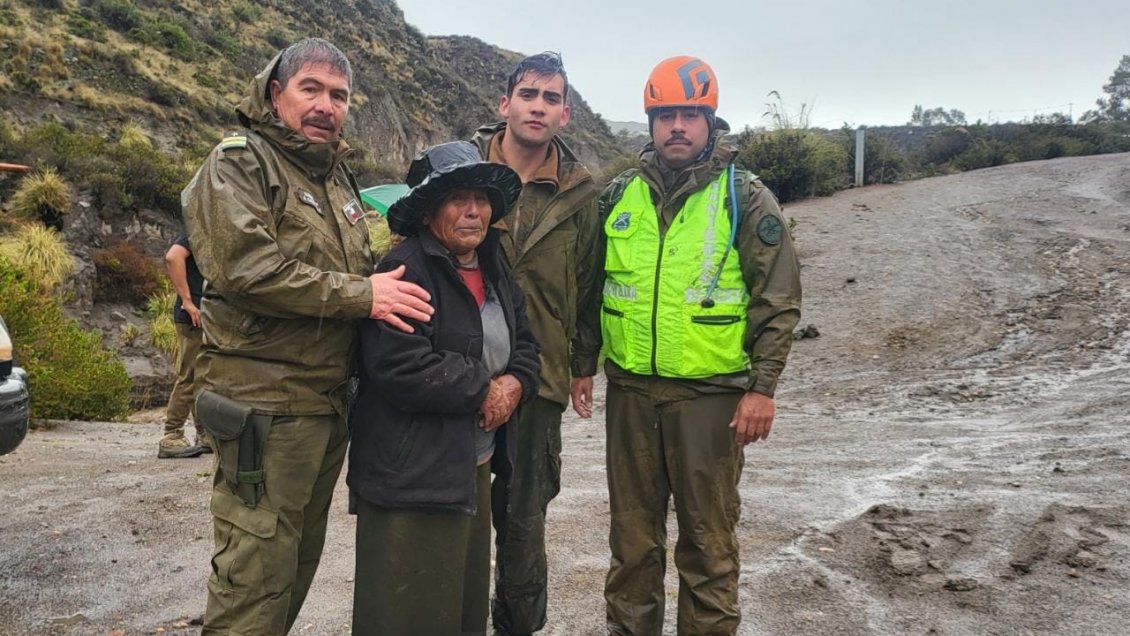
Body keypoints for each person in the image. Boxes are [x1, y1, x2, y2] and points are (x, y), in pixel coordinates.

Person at [181, 38, 433, 634]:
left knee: (294, 565)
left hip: (322, 405)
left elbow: (353, 267)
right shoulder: (240, 162)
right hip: (263, 406)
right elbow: (249, 270)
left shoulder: (333, 176)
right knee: (254, 574)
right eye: (311, 90)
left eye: (339, 95)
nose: (326, 106)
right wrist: (365, 297)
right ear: (276, 94)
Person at [598, 56, 802, 635]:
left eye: (691, 114)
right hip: (632, 395)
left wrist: (762, 389)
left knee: (708, 548)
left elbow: (778, 298)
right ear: (650, 122)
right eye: (666, 115)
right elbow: (594, 287)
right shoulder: (619, 196)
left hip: (710, 400)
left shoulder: (746, 198)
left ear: (712, 121)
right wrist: (579, 364)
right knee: (632, 547)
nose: (678, 126)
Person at [348, 140, 541, 635]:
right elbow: (400, 365)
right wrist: (484, 390)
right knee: (405, 610)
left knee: (458, 608)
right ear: (430, 209)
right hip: (412, 475)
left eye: (481, 198)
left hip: (468, 467)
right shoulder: (406, 269)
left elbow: (525, 342)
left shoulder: (494, 265)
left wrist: (515, 385)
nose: (473, 210)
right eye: (458, 198)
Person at [469, 51, 602, 636]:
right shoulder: (459, 170)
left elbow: (589, 285)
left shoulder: (580, 195)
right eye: (528, 95)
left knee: (524, 523)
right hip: (459, 374)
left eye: (551, 99)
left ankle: (518, 627)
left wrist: (581, 364)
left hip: (542, 377)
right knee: (457, 514)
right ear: (505, 105)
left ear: (565, 114)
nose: (538, 107)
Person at [157, 235, 209, 459]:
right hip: (192, 316)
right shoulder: (196, 229)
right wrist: (187, 301)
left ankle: (205, 435)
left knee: (202, 377)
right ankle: (172, 436)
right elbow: (173, 256)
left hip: (205, 315)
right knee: (189, 376)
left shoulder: (209, 228)